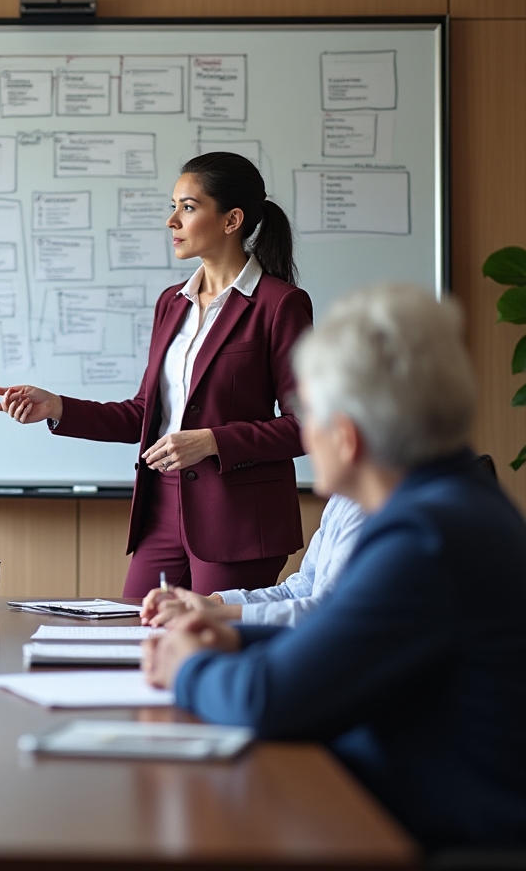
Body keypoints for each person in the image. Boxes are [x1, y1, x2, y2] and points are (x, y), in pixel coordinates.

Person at [141, 284, 526, 849]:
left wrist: (186, 666)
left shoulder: (424, 538)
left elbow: (269, 700)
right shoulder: (448, 502)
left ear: (344, 438)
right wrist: (232, 638)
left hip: (439, 840)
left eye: (304, 415)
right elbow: (337, 640)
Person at [0, 152, 312, 597]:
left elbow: (307, 427)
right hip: (161, 508)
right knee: (134, 640)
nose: (172, 221)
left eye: (188, 207)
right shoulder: (171, 303)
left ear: (231, 219)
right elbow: (145, 413)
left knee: (206, 652)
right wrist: (59, 407)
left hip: (236, 519)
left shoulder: (280, 304)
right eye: (174, 205)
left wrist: (213, 441)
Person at [140, 494, 365, 628]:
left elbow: (328, 615)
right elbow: (297, 591)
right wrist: (216, 602)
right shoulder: (342, 500)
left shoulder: (367, 511)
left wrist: (220, 614)